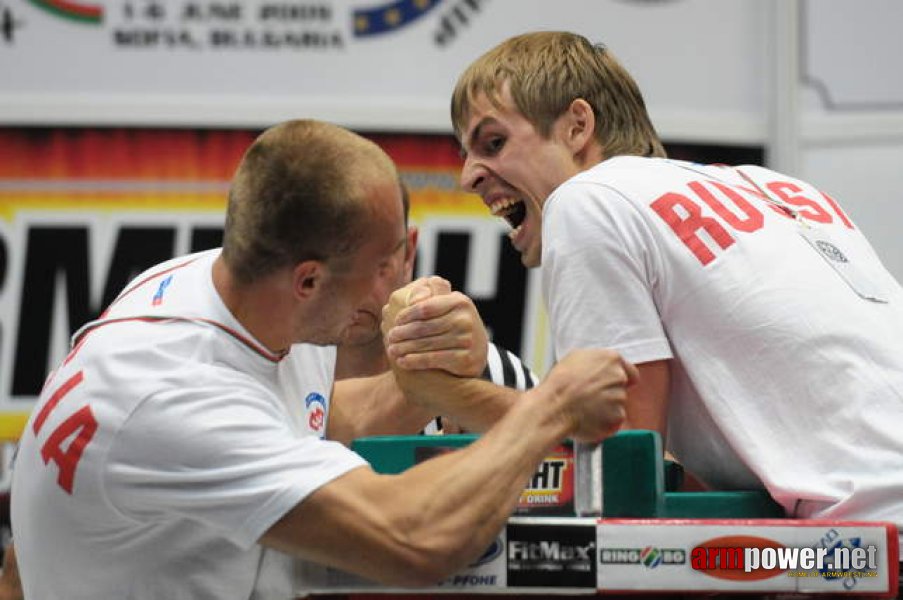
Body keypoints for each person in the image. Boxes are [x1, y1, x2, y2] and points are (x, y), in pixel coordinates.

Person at [10, 119, 634, 599]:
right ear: (308, 281)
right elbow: (411, 539)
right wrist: (550, 407)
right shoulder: (176, 392)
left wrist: (433, 384)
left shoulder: (212, 288)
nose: (400, 279)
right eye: (383, 262)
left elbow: (313, 415)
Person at [438, 30, 903, 579]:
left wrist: (452, 394)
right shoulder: (779, 188)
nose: (468, 175)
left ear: (577, 127)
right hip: (861, 543)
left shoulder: (586, 202)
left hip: (868, 548)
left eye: (492, 144)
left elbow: (622, 471)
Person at [334, 185, 537, 434]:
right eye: (329, 261)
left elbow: (564, 458)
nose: (351, 284)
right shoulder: (276, 375)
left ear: (408, 252)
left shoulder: (500, 373)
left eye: (376, 261)